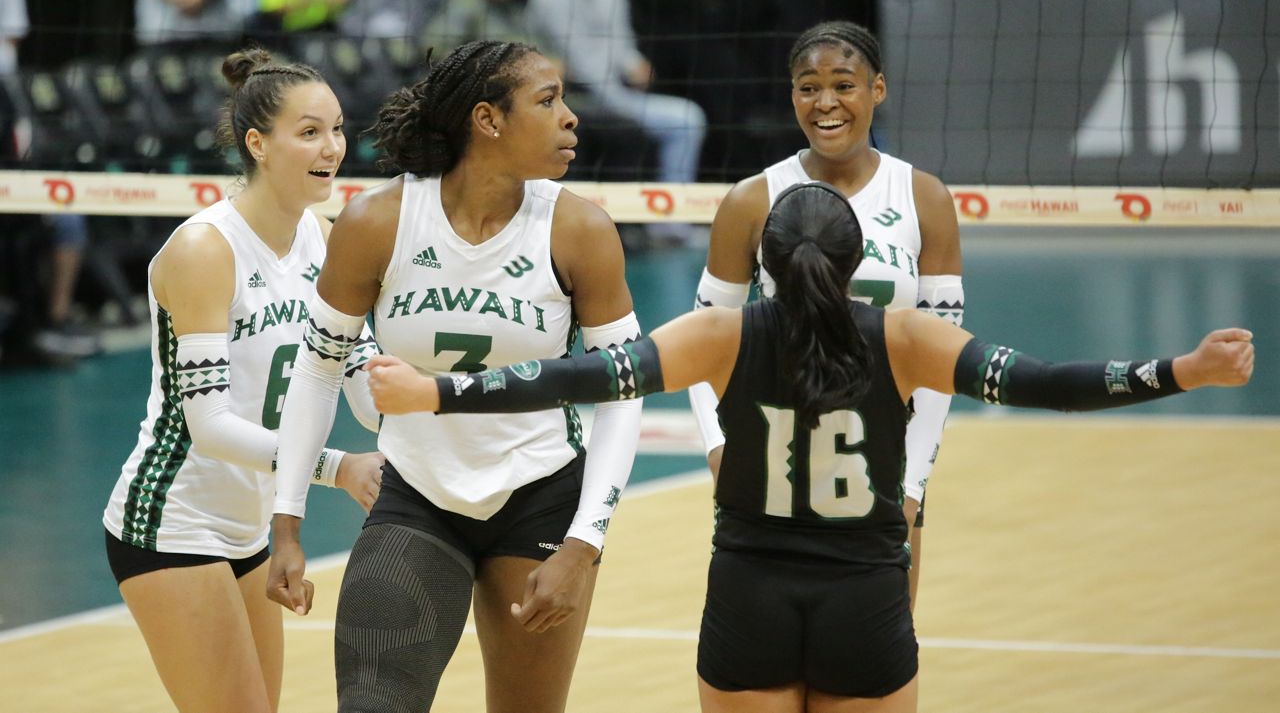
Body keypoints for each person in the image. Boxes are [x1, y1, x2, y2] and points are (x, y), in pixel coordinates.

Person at [363, 181, 1256, 713]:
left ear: (766, 260)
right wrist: (1181, 368)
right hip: (864, 599)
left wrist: (440, 389)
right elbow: (1051, 381)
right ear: (858, 255)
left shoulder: (721, 333)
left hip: (749, 593)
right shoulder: (907, 338)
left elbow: (583, 377)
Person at [266, 40, 643, 713]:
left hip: (541, 496)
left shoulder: (579, 228)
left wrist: (584, 545)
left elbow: (623, 390)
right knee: (372, 703)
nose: (570, 117)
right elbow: (317, 372)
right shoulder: (377, 222)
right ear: (487, 120)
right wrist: (286, 521)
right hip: (418, 495)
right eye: (548, 100)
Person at [101, 48, 384, 713]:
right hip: (172, 519)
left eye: (338, 128)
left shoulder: (321, 237)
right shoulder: (206, 250)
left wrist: (436, 407)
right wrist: (340, 467)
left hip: (250, 523)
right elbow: (211, 425)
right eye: (309, 131)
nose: (333, 147)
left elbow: (360, 378)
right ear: (257, 143)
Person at [690, 20, 961, 608]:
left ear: (877, 90)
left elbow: (942, 362)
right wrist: (719, 448)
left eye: (844, 84)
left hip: (884, 453)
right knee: (764, 655)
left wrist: (912, 482)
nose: (826, 103)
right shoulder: (751, 200)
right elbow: (702, 342)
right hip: (773, 452)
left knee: (875, 659)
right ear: (792, 95)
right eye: (808, 87)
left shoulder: (924, 198)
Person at [527, 0, 707, 244]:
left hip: (619, 94)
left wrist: (635, 65)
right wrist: (611, 95)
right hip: (571, 95)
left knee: (688, 119)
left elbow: (623, 46)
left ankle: (671, 225)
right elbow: (577, 59)